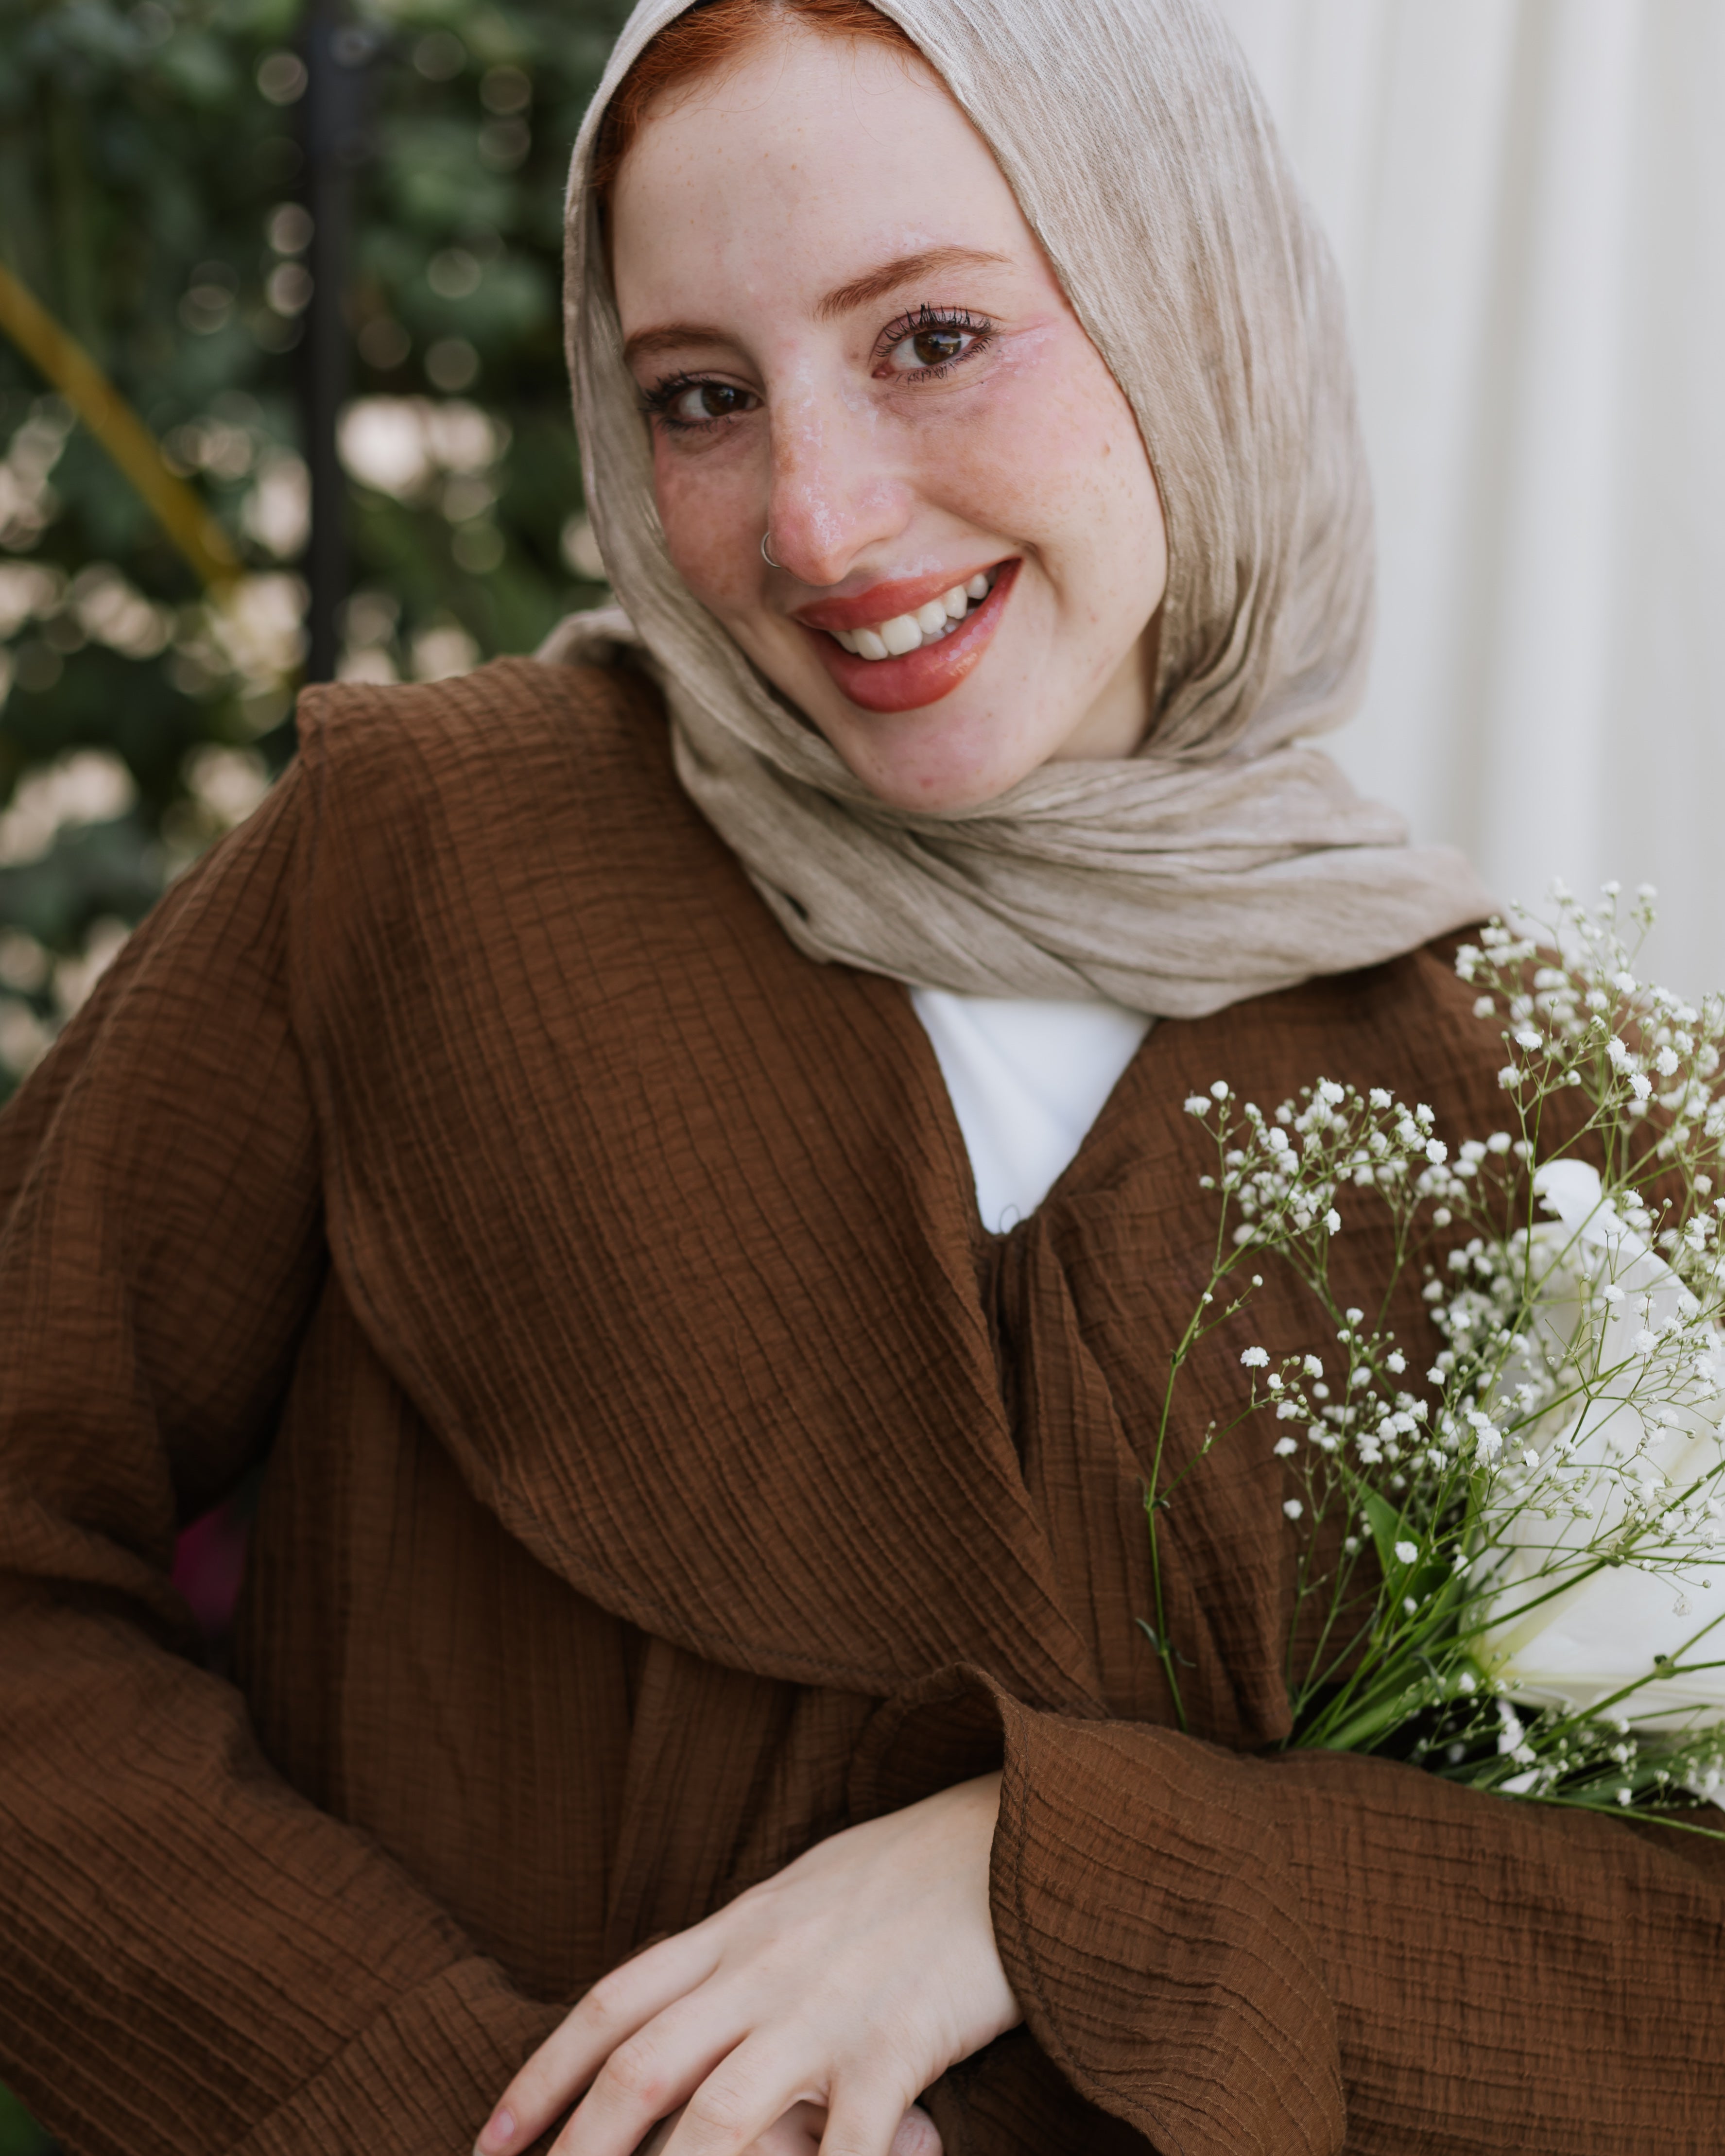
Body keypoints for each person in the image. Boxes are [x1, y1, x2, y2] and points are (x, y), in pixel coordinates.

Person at [1, 2, 1722, 2153]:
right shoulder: (430, 861)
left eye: (931, 339)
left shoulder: (1544, 1104)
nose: (815, 521)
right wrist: (466, 2113)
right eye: (701, 398)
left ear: (1194, 299)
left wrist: (1062, 1886)